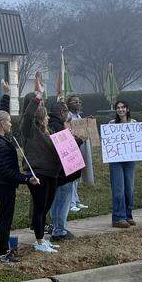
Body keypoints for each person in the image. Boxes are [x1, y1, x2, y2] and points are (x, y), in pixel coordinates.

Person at [0, 84, 37, 263]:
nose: (10, 123)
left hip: (0, 182)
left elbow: (1, 112)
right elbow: (7, 172)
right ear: (1, 124)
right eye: (7, 122)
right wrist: (27, 178)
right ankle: (3, 252)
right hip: (3, 185)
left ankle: (4, 249)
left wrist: (6, 95)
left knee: (5, 216)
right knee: (5, 218)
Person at [19, 88, 62, 253]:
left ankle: (43, 238)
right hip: (38, 172)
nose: (48, 118)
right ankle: (39, 240)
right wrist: (37, 97)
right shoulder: (28, 129)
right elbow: (28, 115)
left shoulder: (46, 131)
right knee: (39, 207)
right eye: (46, 116)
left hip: (52, 172)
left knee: (46, 207)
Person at [47, 99, 85, 242]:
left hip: (55, 171)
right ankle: (59, 230)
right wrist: (79, 140)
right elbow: (65, 147)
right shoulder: (58, 126)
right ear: (62, 112)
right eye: (66, 112)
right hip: (64, 172)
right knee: (62, 202)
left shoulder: (50, 125)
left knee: (56, 201)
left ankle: (56, 227)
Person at [107, 101, 137, 229]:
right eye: (118, 108)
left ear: (127, 109)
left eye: (123, 107)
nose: (121, 110)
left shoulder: (134, 123)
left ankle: (128, 215)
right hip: (116, 160)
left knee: (129, 188)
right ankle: (118, 217)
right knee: (118, 188)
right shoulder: (112, 124)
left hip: (130, 159)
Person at [65, 95, 89, 212]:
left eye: (79, 101)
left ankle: (76, 200)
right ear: (68, 104)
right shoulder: (67, 116)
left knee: (77, 177)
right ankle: (71, 203)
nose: (78, 103)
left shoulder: (78, 115)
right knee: (72, 178)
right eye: (75, 102)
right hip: (70, 150)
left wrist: (87, 122)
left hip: (79, 148)